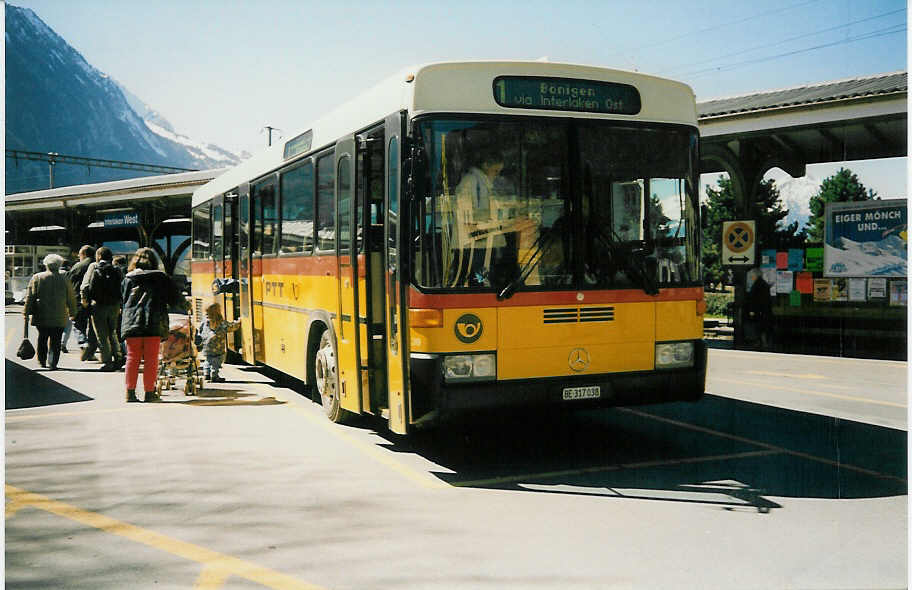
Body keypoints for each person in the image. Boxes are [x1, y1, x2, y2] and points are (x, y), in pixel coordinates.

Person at [121, 247, 187, 402]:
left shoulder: (128, 279)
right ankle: (149, 393)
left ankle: (129, 393)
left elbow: (123, 300)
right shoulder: (161, 278)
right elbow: (174, 299)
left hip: (132, 322)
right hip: (153, 321)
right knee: (151, 359)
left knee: (132, 357)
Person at [23, 253, 78, 370]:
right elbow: (71, 297)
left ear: (46, 265)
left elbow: (30, 296)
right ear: (59, 265)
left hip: (41, 314)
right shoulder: (65, 278)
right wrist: (73, 312)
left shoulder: (37, 277)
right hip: (60, 315)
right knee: (56, 340)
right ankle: (53, 362)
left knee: (42, 338)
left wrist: (26, 312)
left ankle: (42, 361)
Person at [81, 246, 124, 371]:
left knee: (102, 335)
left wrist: (85, 303)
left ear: (99, 256)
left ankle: (107, 362)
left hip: (98, 305)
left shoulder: (94, 267)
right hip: (114, 305)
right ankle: (118, 357)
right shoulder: (116, 269)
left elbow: (85, 286)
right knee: (113, 332)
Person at [195, 301, 241, 382]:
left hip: (206, 345)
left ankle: (206, 374)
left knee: (208, 360)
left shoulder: (205, 322)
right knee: (217, 361)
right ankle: (214, 375)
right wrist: (238, 322)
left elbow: (200, 330)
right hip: (218, 346)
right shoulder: (221, 322)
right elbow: (231, 327)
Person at [67, 245, 98, 361]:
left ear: (84, 254)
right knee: (92, 327)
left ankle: (83, 343)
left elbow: (69, 283)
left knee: (77, 324)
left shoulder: (77, 266)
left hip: (78, 300)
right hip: (95, 300)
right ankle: (90, 351)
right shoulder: (96, 265)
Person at [743, 267, 773, 351]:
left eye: (752, 275)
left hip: (759, 310)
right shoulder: (762, 283)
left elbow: (755, 299)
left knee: (760, 326)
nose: (751, 277)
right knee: (762, 326)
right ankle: (762, 342)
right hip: (764, 310)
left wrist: (752, 310)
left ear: (756, 275)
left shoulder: (758, 284)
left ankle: (762, 343)